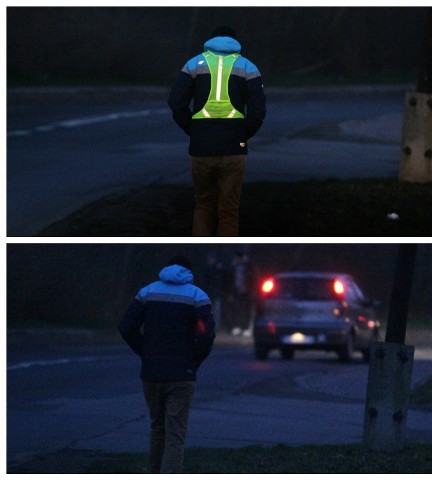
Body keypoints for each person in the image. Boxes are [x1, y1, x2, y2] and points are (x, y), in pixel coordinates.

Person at [119, 255, 215, 474]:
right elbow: (207, 335)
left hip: (152, 373)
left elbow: (126, 327)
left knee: (157, 428)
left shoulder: (147, 291)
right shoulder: (197, 296)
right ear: (190, 272)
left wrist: (145, 352)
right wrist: (194, 360)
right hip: (182, 374)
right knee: (175, 436)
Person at [168, 26, 267, 236]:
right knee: (229, 210)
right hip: (234, 148)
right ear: (235, 42)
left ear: (210, 41)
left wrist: (194, 130)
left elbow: (176, 103)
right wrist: (241, 134)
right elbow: (258, 111)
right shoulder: (248, 67)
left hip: (201, 146)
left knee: (203, 205)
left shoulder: (193, 64)